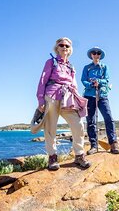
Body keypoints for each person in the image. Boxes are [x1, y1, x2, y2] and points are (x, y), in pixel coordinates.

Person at [36, 37, 91, 170]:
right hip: (52, 96)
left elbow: (74, 84)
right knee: (50, 129)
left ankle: (79, 155)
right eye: (61, 45)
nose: (64, 47)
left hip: (69, 98)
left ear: (70, 49)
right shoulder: (51, 62)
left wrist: (77, 98)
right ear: (57, 48)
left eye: (67, 46)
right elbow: (42, 81)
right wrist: (40, 100)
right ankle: (53, 158)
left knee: (78, 125)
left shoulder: (71, 66)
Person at [81, 47, 119, 155]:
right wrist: (91, 84)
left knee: (108, 117)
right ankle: (93, 145)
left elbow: (106, 80)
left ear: (100, 55)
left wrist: (98, 81)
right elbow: (83, 80)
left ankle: (113, 143)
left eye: (98, 53)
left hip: (102, 95)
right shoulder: (87, 68)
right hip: (89, 95)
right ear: (91, 55)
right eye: (94, 53)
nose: (96, 55)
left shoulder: (104, 67)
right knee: (90, 121)